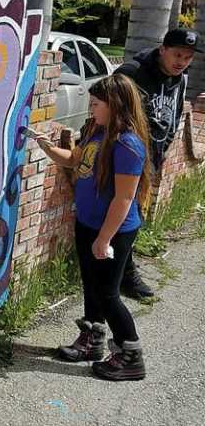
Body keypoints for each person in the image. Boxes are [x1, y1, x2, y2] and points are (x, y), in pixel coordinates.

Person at [37, 74, 152, 380]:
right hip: (88, 223)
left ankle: (131, 354)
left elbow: (125, 198)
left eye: (96, 104)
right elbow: (75, 161)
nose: (91, 109)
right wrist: (47, 148)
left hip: (112, 231)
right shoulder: (96, 132)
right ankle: (92, 339)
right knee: (91, 286)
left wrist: (104, 238)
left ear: (115, 105)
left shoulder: (128, 145)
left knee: (108, 294)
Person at [111, 27, 199, 299]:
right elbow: (108, 115)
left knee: (132, 219)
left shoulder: (180, 79)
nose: (181, 62)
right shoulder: (131, 74)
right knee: (122, 220)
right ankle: (120, 277)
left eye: (187, 57)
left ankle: (120, 273)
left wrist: (160, 153)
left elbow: (171, 121)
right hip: (123, 161)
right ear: (162, 49)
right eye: (177, 54)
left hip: (150, 164)